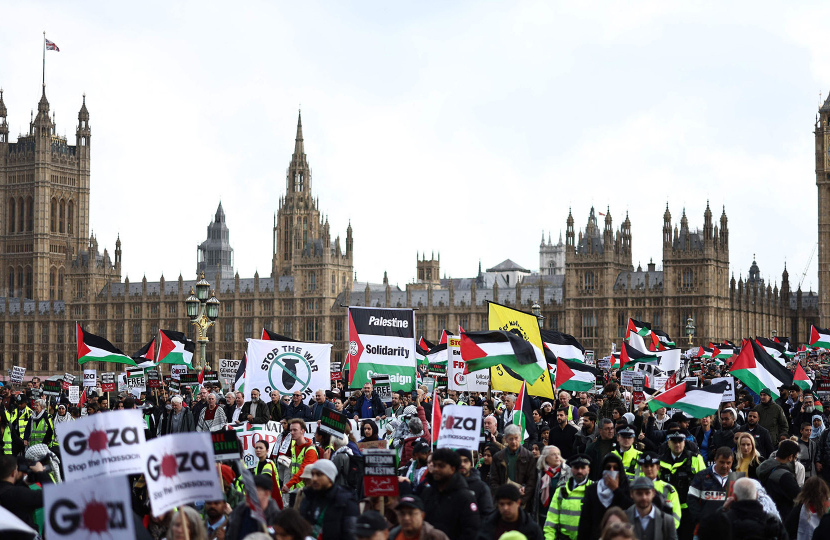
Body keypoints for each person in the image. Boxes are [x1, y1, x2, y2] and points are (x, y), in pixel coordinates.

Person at [421, 447, 481, 540]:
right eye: (435, 465)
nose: (436, 469)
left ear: (452, 469)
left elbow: (471, 531)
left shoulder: (465, 497)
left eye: (441, 466)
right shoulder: (427, 493)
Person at [657, 431, 704, 540]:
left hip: (688, 509)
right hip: (667, 509)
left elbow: (704, 483)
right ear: (668, 443)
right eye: (674, 441)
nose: (677, 444)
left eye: (680, 441)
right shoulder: (660, 461)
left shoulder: (695, 459)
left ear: (684, 442)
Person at [299, 460, 359, 540]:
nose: (314, 479)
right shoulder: (309, 497)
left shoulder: (345, 501)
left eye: (319, 474)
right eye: (313, 474)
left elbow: (351, 534)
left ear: (330, 477)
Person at [577, 453, 632, 540]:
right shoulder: (592, 490)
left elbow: (629, 508)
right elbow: (585, 522)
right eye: (608, 467)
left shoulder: (627, 488)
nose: (611, 470)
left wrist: (616, 490)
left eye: (615, 468)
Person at [720, 477, 788, 540]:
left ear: (734, 497)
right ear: (757, 495)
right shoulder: (771, 520)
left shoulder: (725, 520)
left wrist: (723, 509)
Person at [545, 453, 593, 540]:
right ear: (571, 469)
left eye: (583, 468)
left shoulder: (595, 490)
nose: (579, 471)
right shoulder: (561, 490)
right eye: (576, 468)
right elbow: (551, 520)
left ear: (588, 470)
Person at [490, 424, 538, 509]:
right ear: (505, 439)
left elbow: (531, 481)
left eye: (516, 438)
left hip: (522, 504)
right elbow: (494, 481)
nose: (514, 442)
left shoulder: (528, 456)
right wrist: (502, 498)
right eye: (511, 439)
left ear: (520, 438)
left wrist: (521, 500)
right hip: (502, 503)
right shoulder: (498, 457)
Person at [687, 446, 735, 525]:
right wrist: (700, 518)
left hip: (729, 528)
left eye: (728, 463)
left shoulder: (736, 479)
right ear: (715, 460)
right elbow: (691, 498)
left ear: (732, 461)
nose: (725, 466)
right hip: (705, 526)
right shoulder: (702, 476)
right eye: (722, 462)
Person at [479, 483, 544, 540]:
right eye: (502, 504)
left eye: (509, 503)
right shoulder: (488, 527)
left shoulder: (532, 530)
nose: (505, 508)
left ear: (518, 503)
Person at [756, 439, 801, 520]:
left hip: (766, 511)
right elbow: (797, 494)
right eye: (795, 458)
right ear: (790, 457)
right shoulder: (785, 475)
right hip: (782, 515)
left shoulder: (765, 467)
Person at [227, 474, 281, 540]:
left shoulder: (277, 518)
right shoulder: (239, 512)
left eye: (252, 491)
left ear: (267, 493)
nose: (246, 494)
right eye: (246, 490)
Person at [0, 455, 44, 534]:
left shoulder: (12, 492)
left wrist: (24, 483)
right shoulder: (17, 494)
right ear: (13, 473)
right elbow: (51, 496)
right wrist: (41, 473)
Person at [282, 418, 319, 495]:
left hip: (307, 491)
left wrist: (289, 485)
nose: (292, 432)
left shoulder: (310, 450)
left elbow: (303, 470)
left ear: (302, 431)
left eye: (295, 430)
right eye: (291, 430)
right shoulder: (294, 447)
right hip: (295, 490)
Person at [458, 448, 494, 519]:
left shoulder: (481, 487)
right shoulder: (447, 485)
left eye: (465, 461)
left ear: (471, 464)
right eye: (459, 461)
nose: (462, 464)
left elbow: (487, 515)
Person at [536, 446, 564, 527]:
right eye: (553, 454)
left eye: (558, 454)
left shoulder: (567, 472)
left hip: (559, 515)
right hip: (543, 514)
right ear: (546, 458)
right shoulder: (539, 472)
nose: (557, 457)